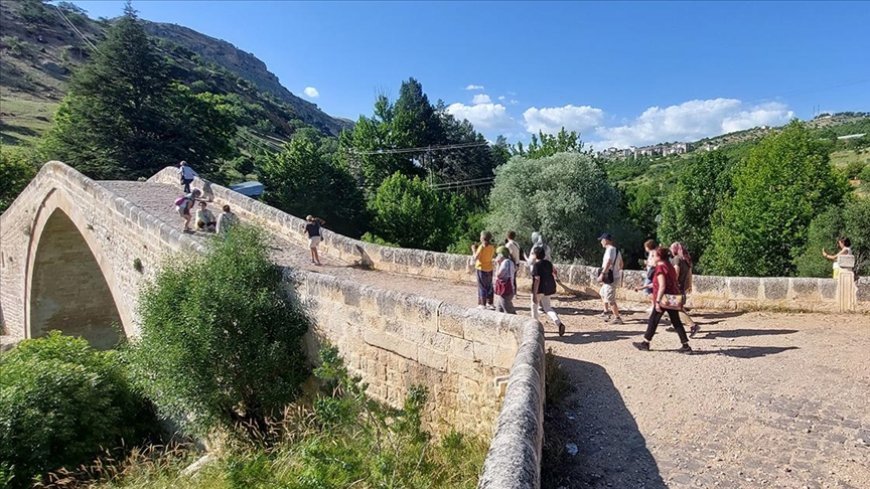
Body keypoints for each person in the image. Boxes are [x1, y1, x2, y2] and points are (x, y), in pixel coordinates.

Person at [633, 247, 693, 353]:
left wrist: (657, 302)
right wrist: (643, 287)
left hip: (663, 299)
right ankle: (685, 346)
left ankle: (645, 343)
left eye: (654, 255)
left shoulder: (660, 268)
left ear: (659, 257)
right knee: (676, 321)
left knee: (653, 320)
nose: (653, 257)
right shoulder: (669, 266)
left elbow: (662, 286)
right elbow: (658, 283)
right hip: (672, 298)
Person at [531, 247, 567, 336]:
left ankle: (535, 328)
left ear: (535, 255)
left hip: (539, 289)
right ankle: (559, 323)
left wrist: (534, 294)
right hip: (547, 289)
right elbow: (554, 271)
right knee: (548, 308)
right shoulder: (548, 263)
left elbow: (537, 280)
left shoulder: (536, 265)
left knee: (534, 307)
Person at [670, 242, 700, 337]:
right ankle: (675, 325)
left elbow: (675, 274)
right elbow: (689, 275)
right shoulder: (686, 261)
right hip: (682, 288)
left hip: (676, 289)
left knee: (677, 308)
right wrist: (688, 287)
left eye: (671, 248)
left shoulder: (676, 259)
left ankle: (693, 326)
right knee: (674, 308)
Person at [597, 233, 624, 324]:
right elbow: (621, 264)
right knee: (603, 293)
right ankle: (606, 312)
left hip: (610, 277)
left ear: (606, 240)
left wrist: (602, 274)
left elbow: (609, 262)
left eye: (602, 240)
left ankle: (617, 317)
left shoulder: (610, 250)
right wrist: (617, 270)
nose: (601, 242)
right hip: (613, 276)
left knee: (610, 298)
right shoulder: (616, 250)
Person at [471, 231, 496, 309]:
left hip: (481, 268)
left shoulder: (481, 247)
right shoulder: (492, 247)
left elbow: (476, 258)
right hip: (489, 268)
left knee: (482, 286)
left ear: (482, 238)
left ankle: (482, 304)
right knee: (489, 286)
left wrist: (473, 250)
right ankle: (490, 303)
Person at [494, 246, 517, 314]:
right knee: (499, 308)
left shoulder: (505, 263)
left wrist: (498, 264)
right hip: (509, 288)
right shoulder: (510, 262)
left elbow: (499, 275)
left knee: (508, 310)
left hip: (506, 289)